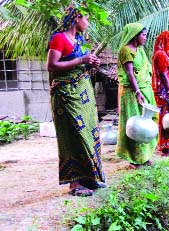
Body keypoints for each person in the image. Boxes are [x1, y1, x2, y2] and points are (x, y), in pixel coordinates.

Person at [47, 5, 105, 197]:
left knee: (88, 133)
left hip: (83, 94)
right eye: (86, 18)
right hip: (66, 95)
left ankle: (89, 177)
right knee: (73, 136)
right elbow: (52, 65)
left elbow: (80, 65)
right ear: (77, 18)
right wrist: (81, 61)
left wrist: (91, 63)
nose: (88, 23)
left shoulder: (79, 39)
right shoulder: (59, 39)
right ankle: (74, 183)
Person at [115, 23, 158, 169]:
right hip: (132, 92)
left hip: (145, 90)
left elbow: (146, 72)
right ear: (135, 35)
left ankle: (144, 157)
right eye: (143, 35)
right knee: (134, 124)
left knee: (146, 123)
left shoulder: (140, 50)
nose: (145, 38)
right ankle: (134, 159)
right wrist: (137, 92)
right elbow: (130, 73)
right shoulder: (126, 50)